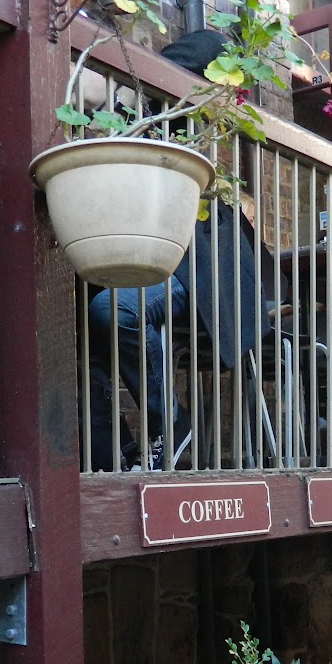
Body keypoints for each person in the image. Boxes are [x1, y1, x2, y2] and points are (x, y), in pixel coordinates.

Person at [85, 30, 269, 472]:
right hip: (152, 259)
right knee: (82, 325)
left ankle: (173, 425)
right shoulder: (141, 119)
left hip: (204, 271)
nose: (228, 99)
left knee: (115, 310)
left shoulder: (182, 123)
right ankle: (119, 453)